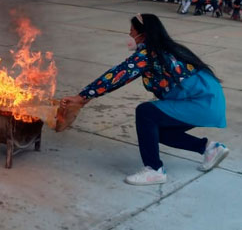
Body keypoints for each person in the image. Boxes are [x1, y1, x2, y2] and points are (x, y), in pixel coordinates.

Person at [59, 14, 228, 185]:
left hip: (201, 102)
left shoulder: (148, 54)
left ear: (144, 33)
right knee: (157, 131)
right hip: (208, 101)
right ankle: (209, 148)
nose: (130, 35)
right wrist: (87, 97)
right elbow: (121, 79)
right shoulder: (166, 48)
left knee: (146, 112)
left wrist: (82, 96)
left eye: (132, 32)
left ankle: (154, 169)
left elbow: (119, 75)